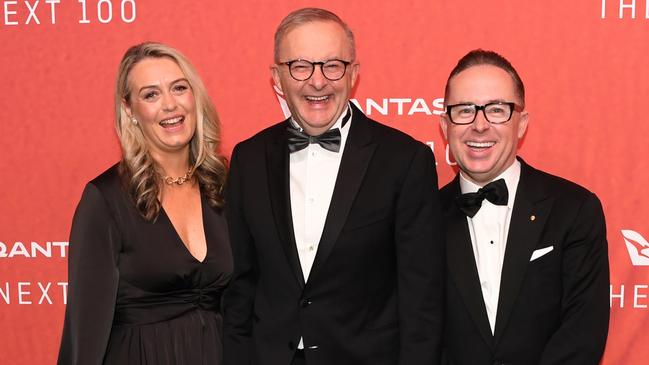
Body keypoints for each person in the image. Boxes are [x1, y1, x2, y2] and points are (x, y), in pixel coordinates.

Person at [223, 7, 444, 365]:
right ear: (277, 76)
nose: (317, 81)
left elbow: (422, 299)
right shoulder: (248, 159)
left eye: (332, 65)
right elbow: (240, 286)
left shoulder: (404, 160)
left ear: (353, 73)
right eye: (300, 66)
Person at [57, 42, 232, 364]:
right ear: (129, 110)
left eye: (179, 88)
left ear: (195, 96)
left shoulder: (226, 185)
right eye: (151, 95)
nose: (169, 105)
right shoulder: (106, 199)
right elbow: (85, 325)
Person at [439, 49, 609, 365]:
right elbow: (415, 331)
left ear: (522, 124)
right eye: (464, 110)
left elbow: (582, 333)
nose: (479, 125)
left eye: (497, 110)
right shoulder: (421, 217)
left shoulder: (574, 209)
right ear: (444, 124)